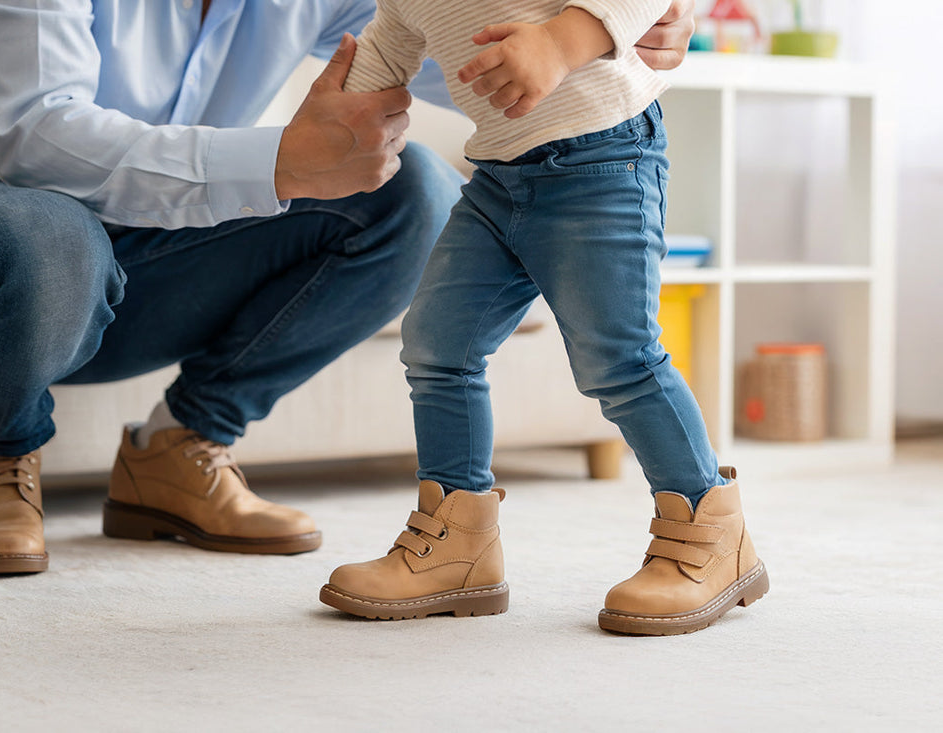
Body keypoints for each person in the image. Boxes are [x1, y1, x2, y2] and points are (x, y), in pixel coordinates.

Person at [0, 0, 697, 576]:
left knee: (408, 192)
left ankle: (180, 448)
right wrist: (278, 163)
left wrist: (605, 29)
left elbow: (464, 38)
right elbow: (38, 137)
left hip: (153, 260)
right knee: (41, 231)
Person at [319, 0, 769, 635]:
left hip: (603, 160)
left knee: (620, 359)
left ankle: (712, 534)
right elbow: (390, 44)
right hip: (499, 178)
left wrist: (559, 43)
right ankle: (456, 544)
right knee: (437, 343)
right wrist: (336, 114)